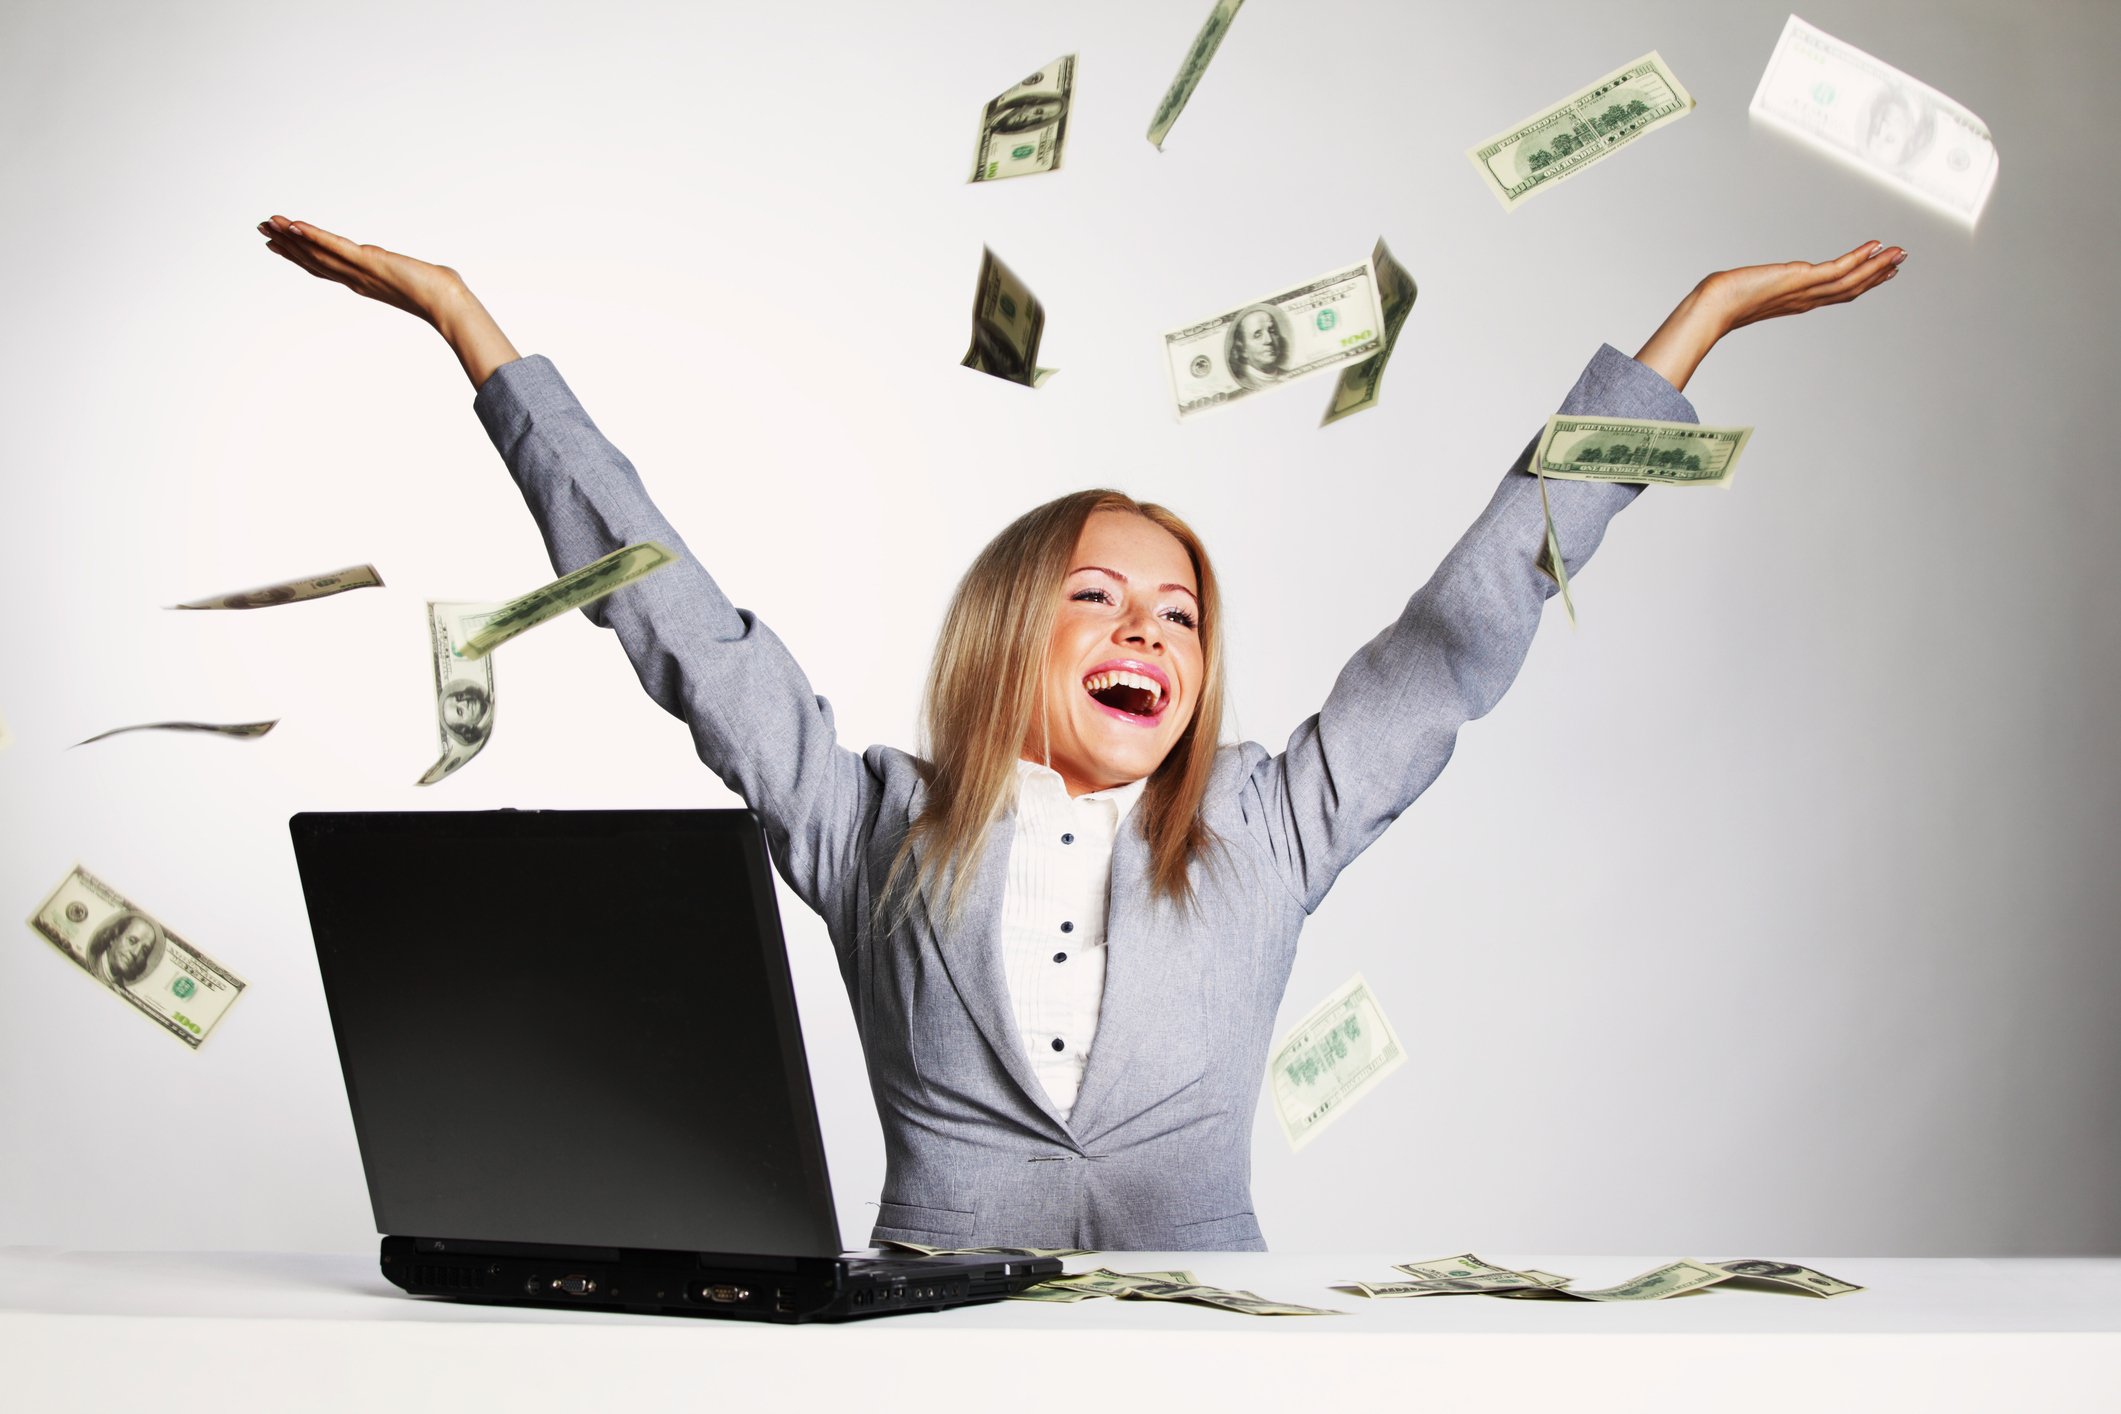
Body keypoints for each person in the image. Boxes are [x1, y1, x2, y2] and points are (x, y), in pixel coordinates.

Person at [258, 214, 1902, 1250]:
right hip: (925, 1366)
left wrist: (1695, 321)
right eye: (1098, 598)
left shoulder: (1274, 820)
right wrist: (477, 330)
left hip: (1213, 1368)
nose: (1146, 632)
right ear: (1005, 633)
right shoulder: (865, 819)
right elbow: (671, 614)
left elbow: (1468, 619)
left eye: (1179, 612)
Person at [88, 911, 164, 988]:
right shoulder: (86, 964)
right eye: (132, 941)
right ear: (114, 937)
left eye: (144, 950)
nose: (136, 953)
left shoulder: (120, 991)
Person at [1226, 304, 1293, 388]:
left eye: (1272, 331)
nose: (1269, 340)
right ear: (1243, 349)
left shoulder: (1289, 374)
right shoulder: (1244, 383)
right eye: (1257, 335)